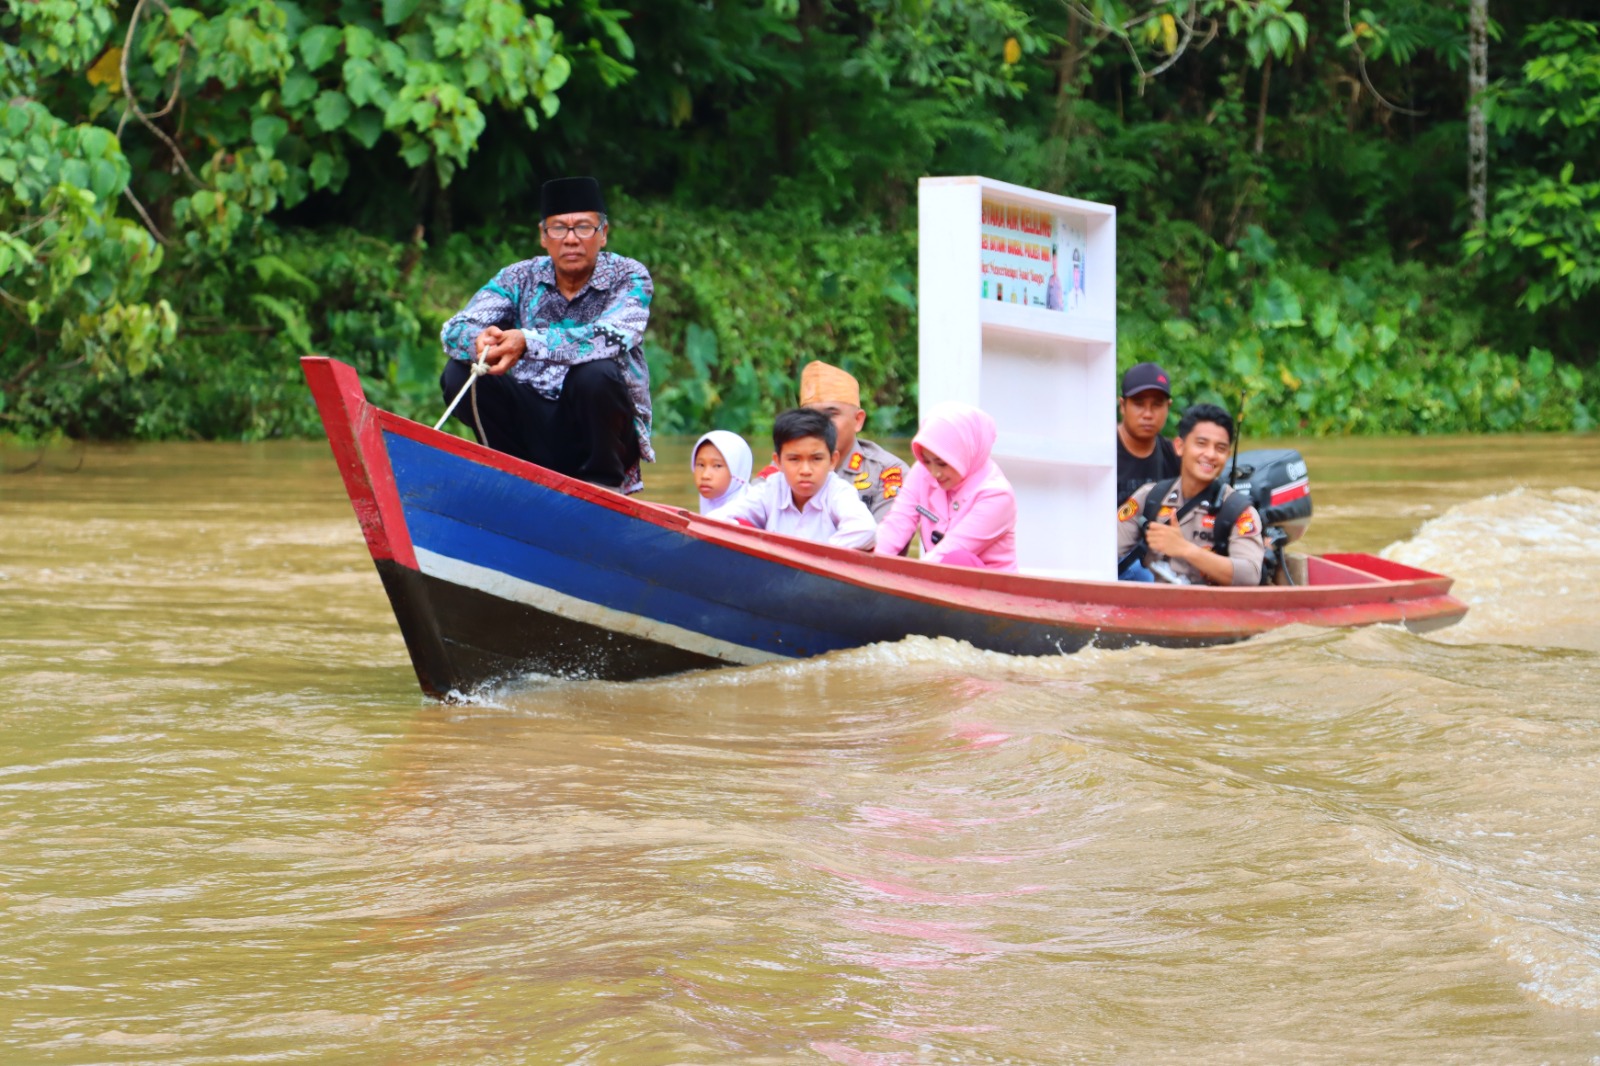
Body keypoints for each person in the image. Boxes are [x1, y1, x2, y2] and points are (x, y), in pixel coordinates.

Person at [438, 176, 654, 493]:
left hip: (601, 433)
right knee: (459, 372)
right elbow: (455, 329)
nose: (570, 239)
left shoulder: (629, 277)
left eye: (583, 227)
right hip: (532, 425)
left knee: (596, 373)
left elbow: (613, 336)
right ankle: (513, 474)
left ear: (603, 234)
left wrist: (528, 342)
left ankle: (604, 488)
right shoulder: (518, 277)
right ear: (543, 236)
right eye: (558, 228)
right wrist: (479, 340)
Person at [1116, 402, 1266, 586]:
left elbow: (1249, 576)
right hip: (1151, 607)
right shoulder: (1150, 497)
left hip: (1211, 611)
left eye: (1220, 448)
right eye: (1201, 443)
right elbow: (1105, 551)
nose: (1210, 454)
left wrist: (1185, 549)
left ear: (1227, 455)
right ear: (1179, 446)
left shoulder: (1238, 511)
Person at [874, 402, 1016, 571]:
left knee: (957, 560)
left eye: (942, 463)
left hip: (988, 590)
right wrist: (867, 564)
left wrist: (905, 580)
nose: (934, 473)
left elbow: (953, 549)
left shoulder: (997, 495)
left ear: (965, 453)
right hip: (935, 578)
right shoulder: (922, 471)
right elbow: (897, 523)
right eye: (927, 461)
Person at [708, 408, 875, 549]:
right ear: (778, 461)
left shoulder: (839, 492)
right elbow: (718, 518)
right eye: (794, 459)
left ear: (832, 461)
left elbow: (865, 529)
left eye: (816, 459)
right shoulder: (770, 489)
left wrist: (817, 556)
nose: (805, 470)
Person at [797, 360, 907, 522]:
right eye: (810, 416)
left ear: (858, 420)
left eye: (831, 414)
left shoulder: (887, 472)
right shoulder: (788, 462)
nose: (818, 425)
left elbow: (886, 541)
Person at [1116, 361, 1178, 505]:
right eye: (1139, 404)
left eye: (1157, 404)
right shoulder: (1103, 452)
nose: (1148, 414)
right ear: (1123, 406)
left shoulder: (1174, 457)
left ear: (1168, 406)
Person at [691, 430, 752, 514]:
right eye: (701, 465)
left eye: (717, 466)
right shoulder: (708, 506)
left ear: (737, 470)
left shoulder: (748, 514)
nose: (705, 475)